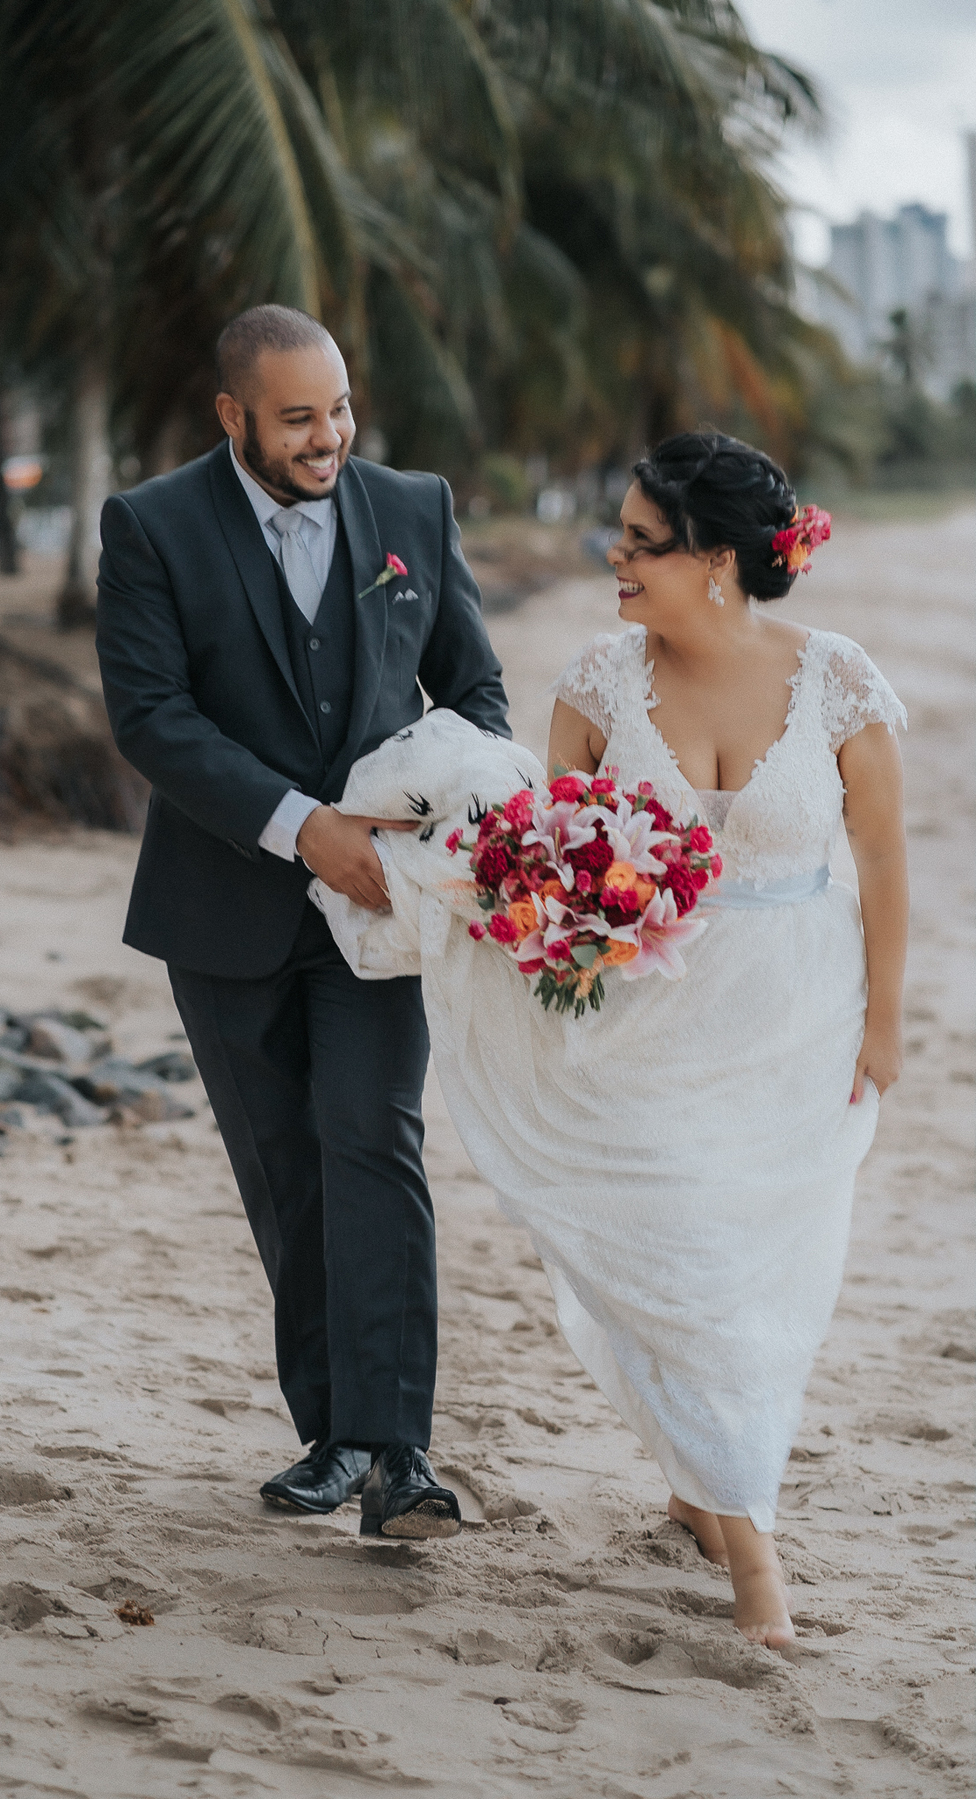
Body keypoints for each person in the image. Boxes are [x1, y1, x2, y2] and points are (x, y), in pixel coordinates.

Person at [310, 431, 907, 1644]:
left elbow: (885, 860)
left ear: (722, 559)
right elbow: (548, 856)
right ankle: (755, 1561)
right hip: (638, 1030)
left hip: (794, 1021)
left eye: (641, 541)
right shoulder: (596, 682)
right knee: (678, 1265)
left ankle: (701, 1486)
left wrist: (886, 1023)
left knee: (750, 1282)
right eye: (618, 536)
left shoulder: (837, 679)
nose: (614, 558)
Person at [95, 304, 510, 1539]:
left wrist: (434, 823)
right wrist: (298, 823)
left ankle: (402, 1456)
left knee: (373, 1142)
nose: (330, 436)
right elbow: (153, 717)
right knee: (286, 1170)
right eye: (297, 419)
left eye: (337, 408)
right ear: (233, 417)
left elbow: (475, 691)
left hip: (386, 912)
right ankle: (332, 1433)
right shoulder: (152, 525)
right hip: (223, 906)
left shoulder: (416, 510)